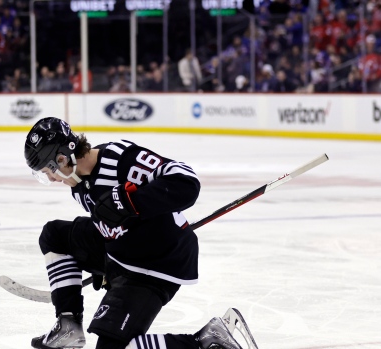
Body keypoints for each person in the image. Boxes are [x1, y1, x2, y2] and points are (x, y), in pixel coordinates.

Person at [24, 117, 259, 349]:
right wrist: (106, 264)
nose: (52, 179)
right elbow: (113, 224)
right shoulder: (78, 185)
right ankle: (68, 325)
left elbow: (186, 181)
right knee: (55, 234)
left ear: (62, 158)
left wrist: (131, 202)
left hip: (156, 265)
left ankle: (203, 341)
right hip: (126, 254)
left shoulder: (119, 158)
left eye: (49, 171)